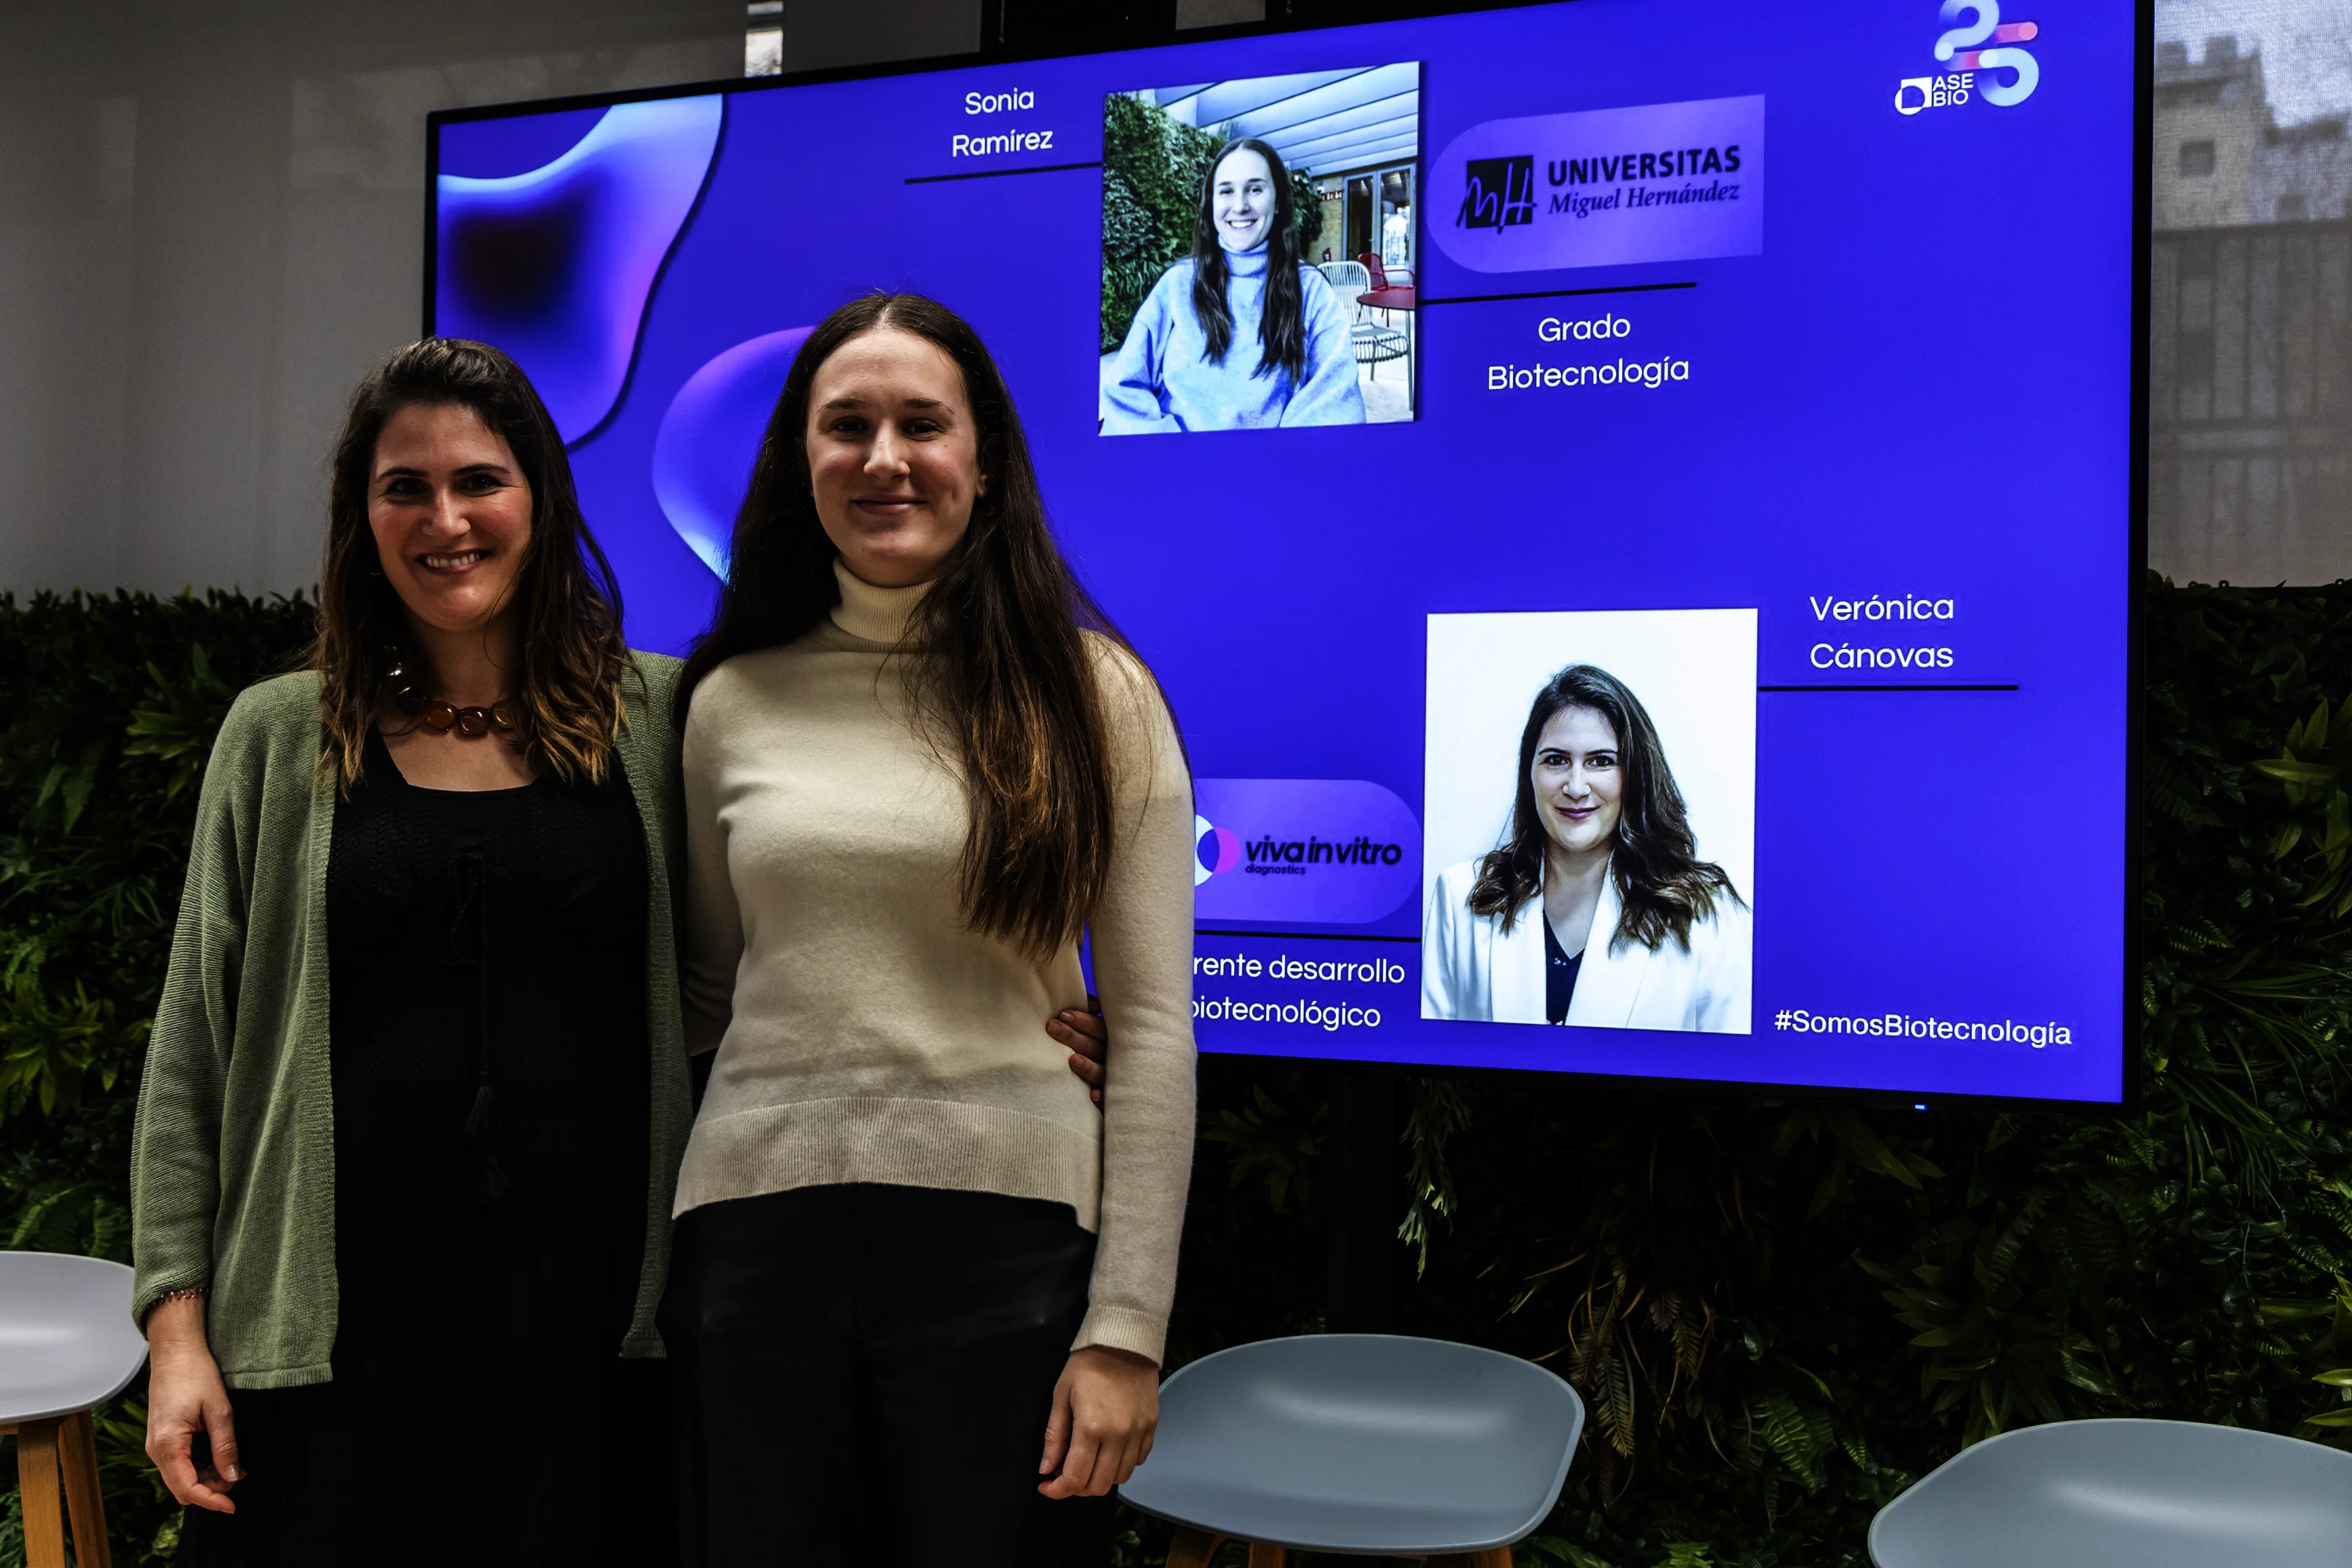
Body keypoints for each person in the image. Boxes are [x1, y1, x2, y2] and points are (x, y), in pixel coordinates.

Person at [129, 337, 1114, 1566]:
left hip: (596, 1337)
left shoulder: (660, 717)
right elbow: (194, 1050)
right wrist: (177, 1331)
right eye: (404, 488)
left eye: (480, 481)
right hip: (331, 1339)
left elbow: (798, 936)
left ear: (540, 498)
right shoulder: (278, 738)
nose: (446, 520)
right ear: (360, 516)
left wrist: (1032, 1019)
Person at [669, 291, 1196, 1565]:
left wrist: (1126, 1333)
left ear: (984, 457)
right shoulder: (727, 699)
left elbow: (1152, 1029)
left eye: (922, 423)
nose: (885, 458)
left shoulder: (1097, 694)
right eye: (846, 426)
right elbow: (702, 994)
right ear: (801, 459)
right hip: (752, 1252)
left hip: (1011, 1256)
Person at [1422, 663, 1751, 1032]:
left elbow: (1730, 1063)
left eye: (1601, 762)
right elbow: (1430, 1061)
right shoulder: (1461, 897)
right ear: (1529, 773)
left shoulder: (1705, 913)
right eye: (1556, 760)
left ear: (1635, 775)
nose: (1576, 787)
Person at [1102, 136, 1366, 434]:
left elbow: (1336, 405)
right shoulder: (1177, 284)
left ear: (1278, 201)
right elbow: (1124, 392)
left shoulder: (1313, 291)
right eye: (1226, 191)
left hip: (1273, 463)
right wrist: (1176, 453)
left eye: (1255, 189)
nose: (1240, 206)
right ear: (1211, 204)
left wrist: (1270, 460)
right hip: (1177, 461)